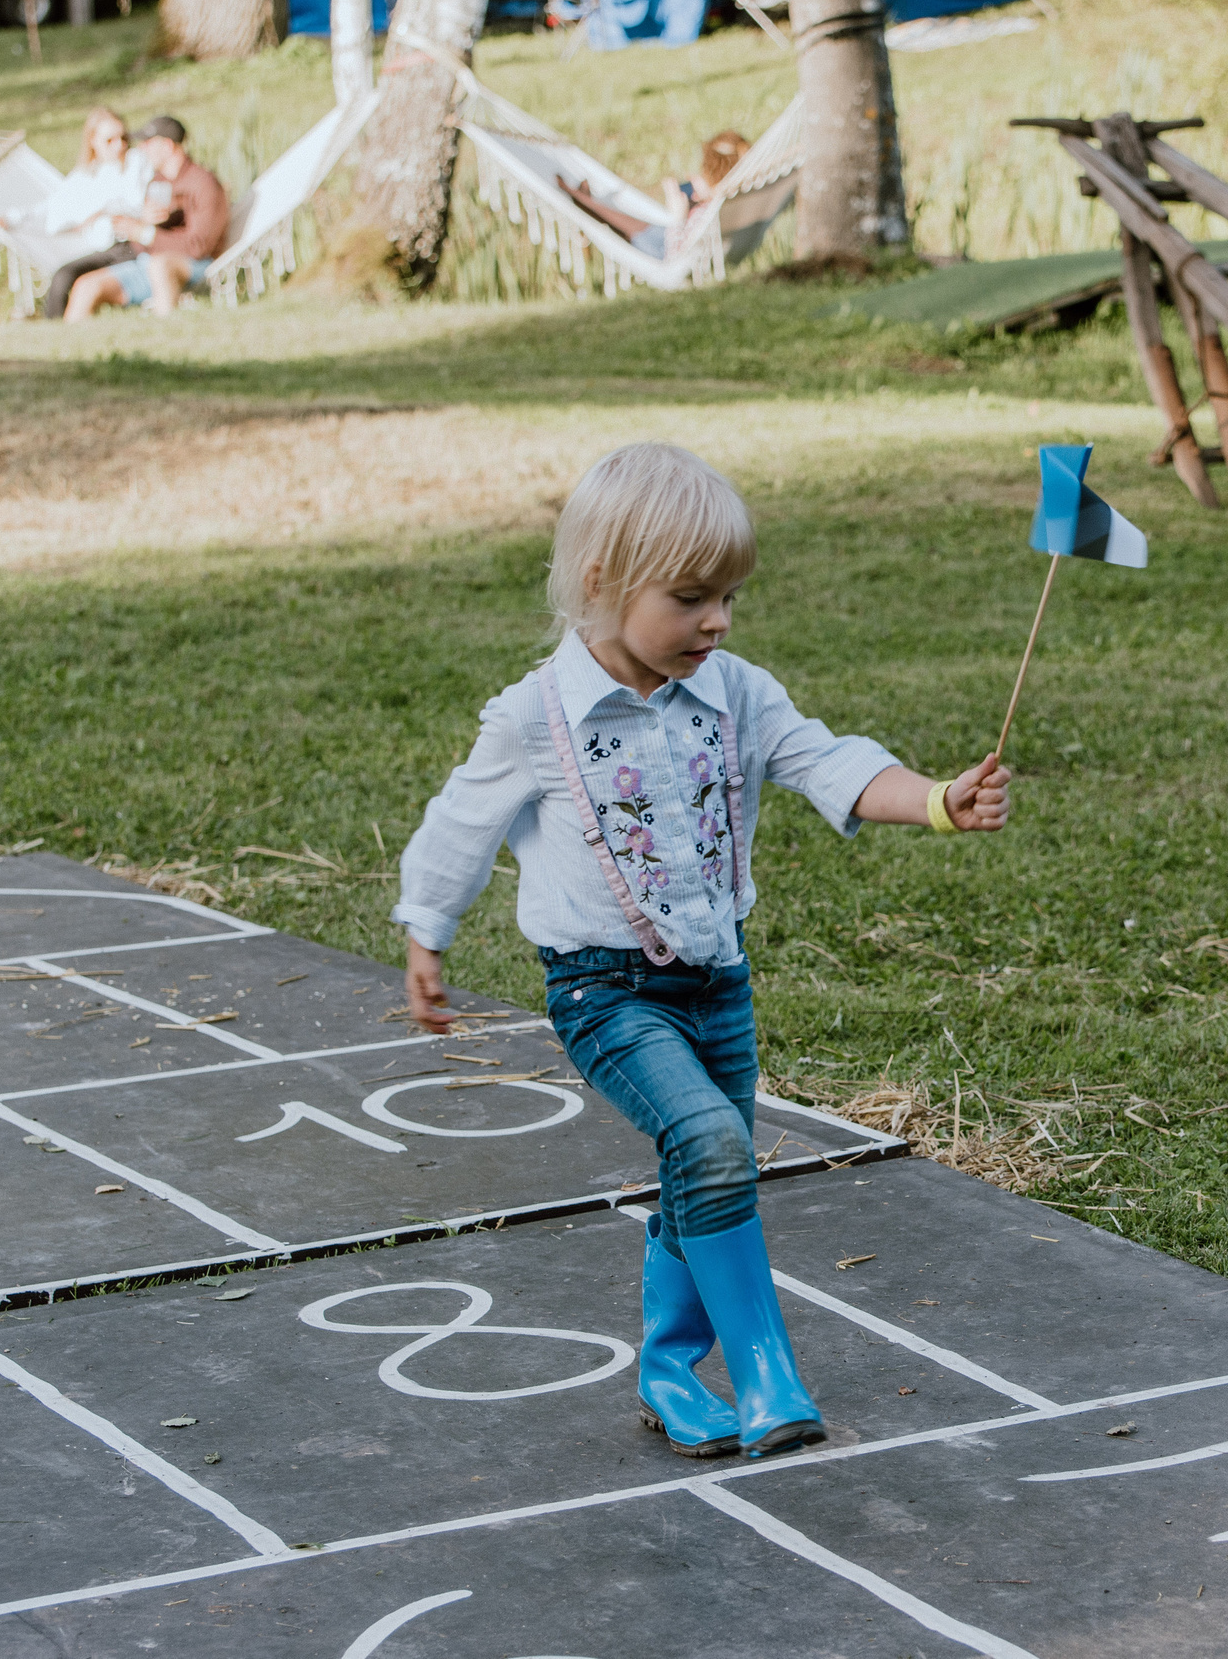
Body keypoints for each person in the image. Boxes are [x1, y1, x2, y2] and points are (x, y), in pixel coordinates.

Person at [392, 442, 1013, 1461]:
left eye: (726, 596)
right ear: (600, 584)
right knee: (713, 1146)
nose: (716, 620)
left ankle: (670, 1367)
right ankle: (766, 1370)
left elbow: (829, 760)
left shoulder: (736, 692)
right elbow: (459, 824)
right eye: (689, 598)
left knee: (708, 1168)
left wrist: (936, 800)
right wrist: (428, 930)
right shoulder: (535, 719)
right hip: (604, 992)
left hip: (717, 986)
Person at [62, 116, 231, 320]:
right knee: (85, 286)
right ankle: (70, 350)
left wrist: (146, 233)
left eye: (148, 143)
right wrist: (140, 226)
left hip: (194, 266)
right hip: (149, 263)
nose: (141, 149)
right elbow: (142, 244)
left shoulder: (204, 184)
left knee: (160, 266)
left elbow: (199, 247)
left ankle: (166, 339)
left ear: (167, 146)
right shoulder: (157, 182)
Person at [30, 109, 155, 319]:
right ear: (93, 141)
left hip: (134, 244)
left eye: (123, 138)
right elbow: (51, 211)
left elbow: (139, 204)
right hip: (105, 248)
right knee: (62, 277)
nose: (120, 145)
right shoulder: (84, 176)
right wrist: (10, 220)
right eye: (110, 140)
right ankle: (52, 334)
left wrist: (104, 209)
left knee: (81, 283)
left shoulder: (137, 162)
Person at [555, 130, 750, 260]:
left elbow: (675, 257)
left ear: (713, 173)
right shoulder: (736, 194)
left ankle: (584, 201)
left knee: (632, 230)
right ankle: (587, 202)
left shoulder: (710, 209)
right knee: (641, 227)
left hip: (668, 250)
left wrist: (678, 216)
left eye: (703, 172)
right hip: (675, 236)